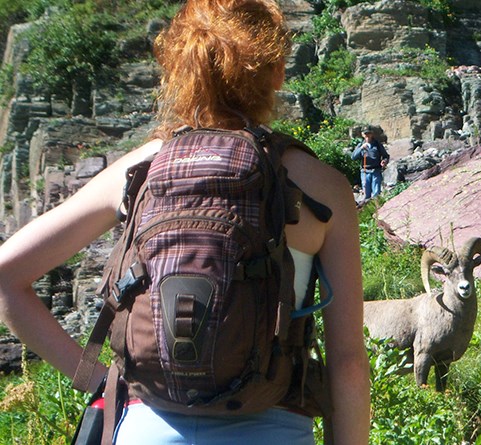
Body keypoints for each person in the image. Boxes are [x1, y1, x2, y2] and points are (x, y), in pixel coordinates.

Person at [0, 1, 370, 444]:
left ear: (178, 70)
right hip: (273, 426)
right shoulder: (322, 188)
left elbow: (7, 273)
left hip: (147, 426)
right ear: (276, 73)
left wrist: (96, 379)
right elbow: (347, 361)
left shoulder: (141, 171)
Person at [351, 126, 390, 200]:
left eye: (369, 133)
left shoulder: (377, 145)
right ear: (362, 135)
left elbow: (386, 156)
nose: (367, 135)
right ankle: (368, 208)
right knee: (366, 194)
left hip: (376, 171)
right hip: (365, 172)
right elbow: (353, 157)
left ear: (372, 134)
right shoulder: (360, 145)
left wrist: (384, 161)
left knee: (376, 192)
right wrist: (361, 148)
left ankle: (377, 207)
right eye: (365, 134)